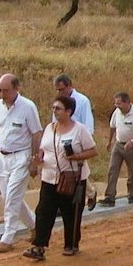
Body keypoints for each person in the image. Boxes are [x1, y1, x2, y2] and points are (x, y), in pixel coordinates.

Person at [23, 95, 98, 260]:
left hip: (72, 179)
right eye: (54, 108)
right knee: (43, 211)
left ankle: (71, 244)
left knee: (70, 213)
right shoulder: (50, 128)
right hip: (49, 177)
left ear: (69, 111)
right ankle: (39, 246)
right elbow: (43, 148)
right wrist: (39, 158)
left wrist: (76, 157)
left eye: (58, 108)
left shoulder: (80, 130)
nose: (55, 111)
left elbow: (93, 151)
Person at [0, 73, 41, 254]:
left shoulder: (28, 107)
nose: (3, 94)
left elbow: (35, 134)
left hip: (21, 156)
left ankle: (8, 237)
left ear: (16, 88)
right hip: (3, 157)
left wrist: (34, 160)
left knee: (12, 197)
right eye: (0, 90)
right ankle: (34, 226)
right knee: (10, 197)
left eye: (6, 91)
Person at [53, 74, 97, 210]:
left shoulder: (82, 101)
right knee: (64, 170)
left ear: (69, 85)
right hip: (61, 140)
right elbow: (54, 121)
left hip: (77, 140)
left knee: (77, 171)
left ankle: (86, 195)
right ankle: (88, 193)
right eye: (58, 90)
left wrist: (85, 143)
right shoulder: (59, 102)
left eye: (62, 89)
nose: (61, 92)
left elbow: (88, 123)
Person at [102, 92, 133, 206]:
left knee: (132, 171)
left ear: (127, 102)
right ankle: (110, 196)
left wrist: (132, 141)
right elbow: (112, 127)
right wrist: (109, 142)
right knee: (112, 169)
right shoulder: (117, 112)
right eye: (116, 104)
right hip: (118, 144)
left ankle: (132, 195)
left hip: (132, 146)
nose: (117, 106)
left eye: (119, 104)